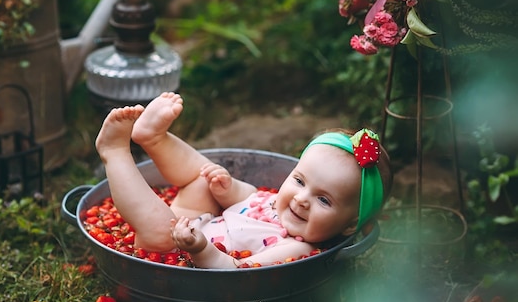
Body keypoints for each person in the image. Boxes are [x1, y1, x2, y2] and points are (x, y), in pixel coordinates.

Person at [95, 92, 392, 268]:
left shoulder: (298, 249)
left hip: (178, 252)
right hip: (196, 219)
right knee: (205, 177)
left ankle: (115, 153)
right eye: (300, 181)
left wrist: (199, 248)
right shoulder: (278, 203)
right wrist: (228, 188)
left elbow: (236, 271)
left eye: (324, 200)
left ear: (351, 224)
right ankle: (154, 139)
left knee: (161, 231)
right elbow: (249, 198)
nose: (302, 198)